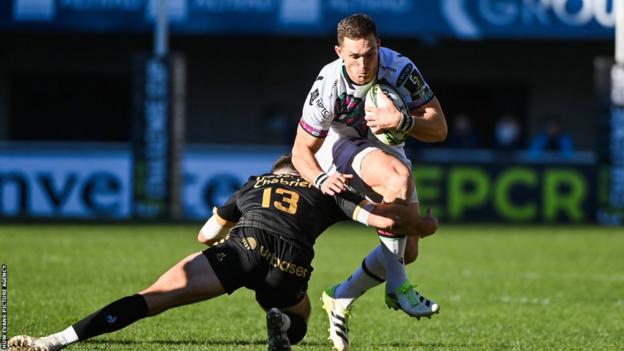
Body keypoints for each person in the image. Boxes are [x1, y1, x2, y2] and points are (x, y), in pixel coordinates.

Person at [9, 155, 437, 351]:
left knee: (152, 298)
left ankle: (57, 341)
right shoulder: (327, 190)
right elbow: (383, 221)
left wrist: (221, 241)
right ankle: (282, 325)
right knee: (301, 317)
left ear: (274, 174)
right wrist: (423, 223)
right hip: (288, 266)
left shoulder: (253, 184)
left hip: (241, 247)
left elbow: (205, 234)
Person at [290, 13, 447, 351]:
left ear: (380, 46)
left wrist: (402, 120)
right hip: (341, 145)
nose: (363, 64)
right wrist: (320, 177)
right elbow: (300, 150)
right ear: (338, 52)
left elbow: (439, 128)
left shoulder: (401, 69)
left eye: (370, 54)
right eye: (354, 56)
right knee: (398, 178)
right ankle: (398, 287)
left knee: (408, 250)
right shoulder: (328, 84)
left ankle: (340, 296)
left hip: (389, 143)